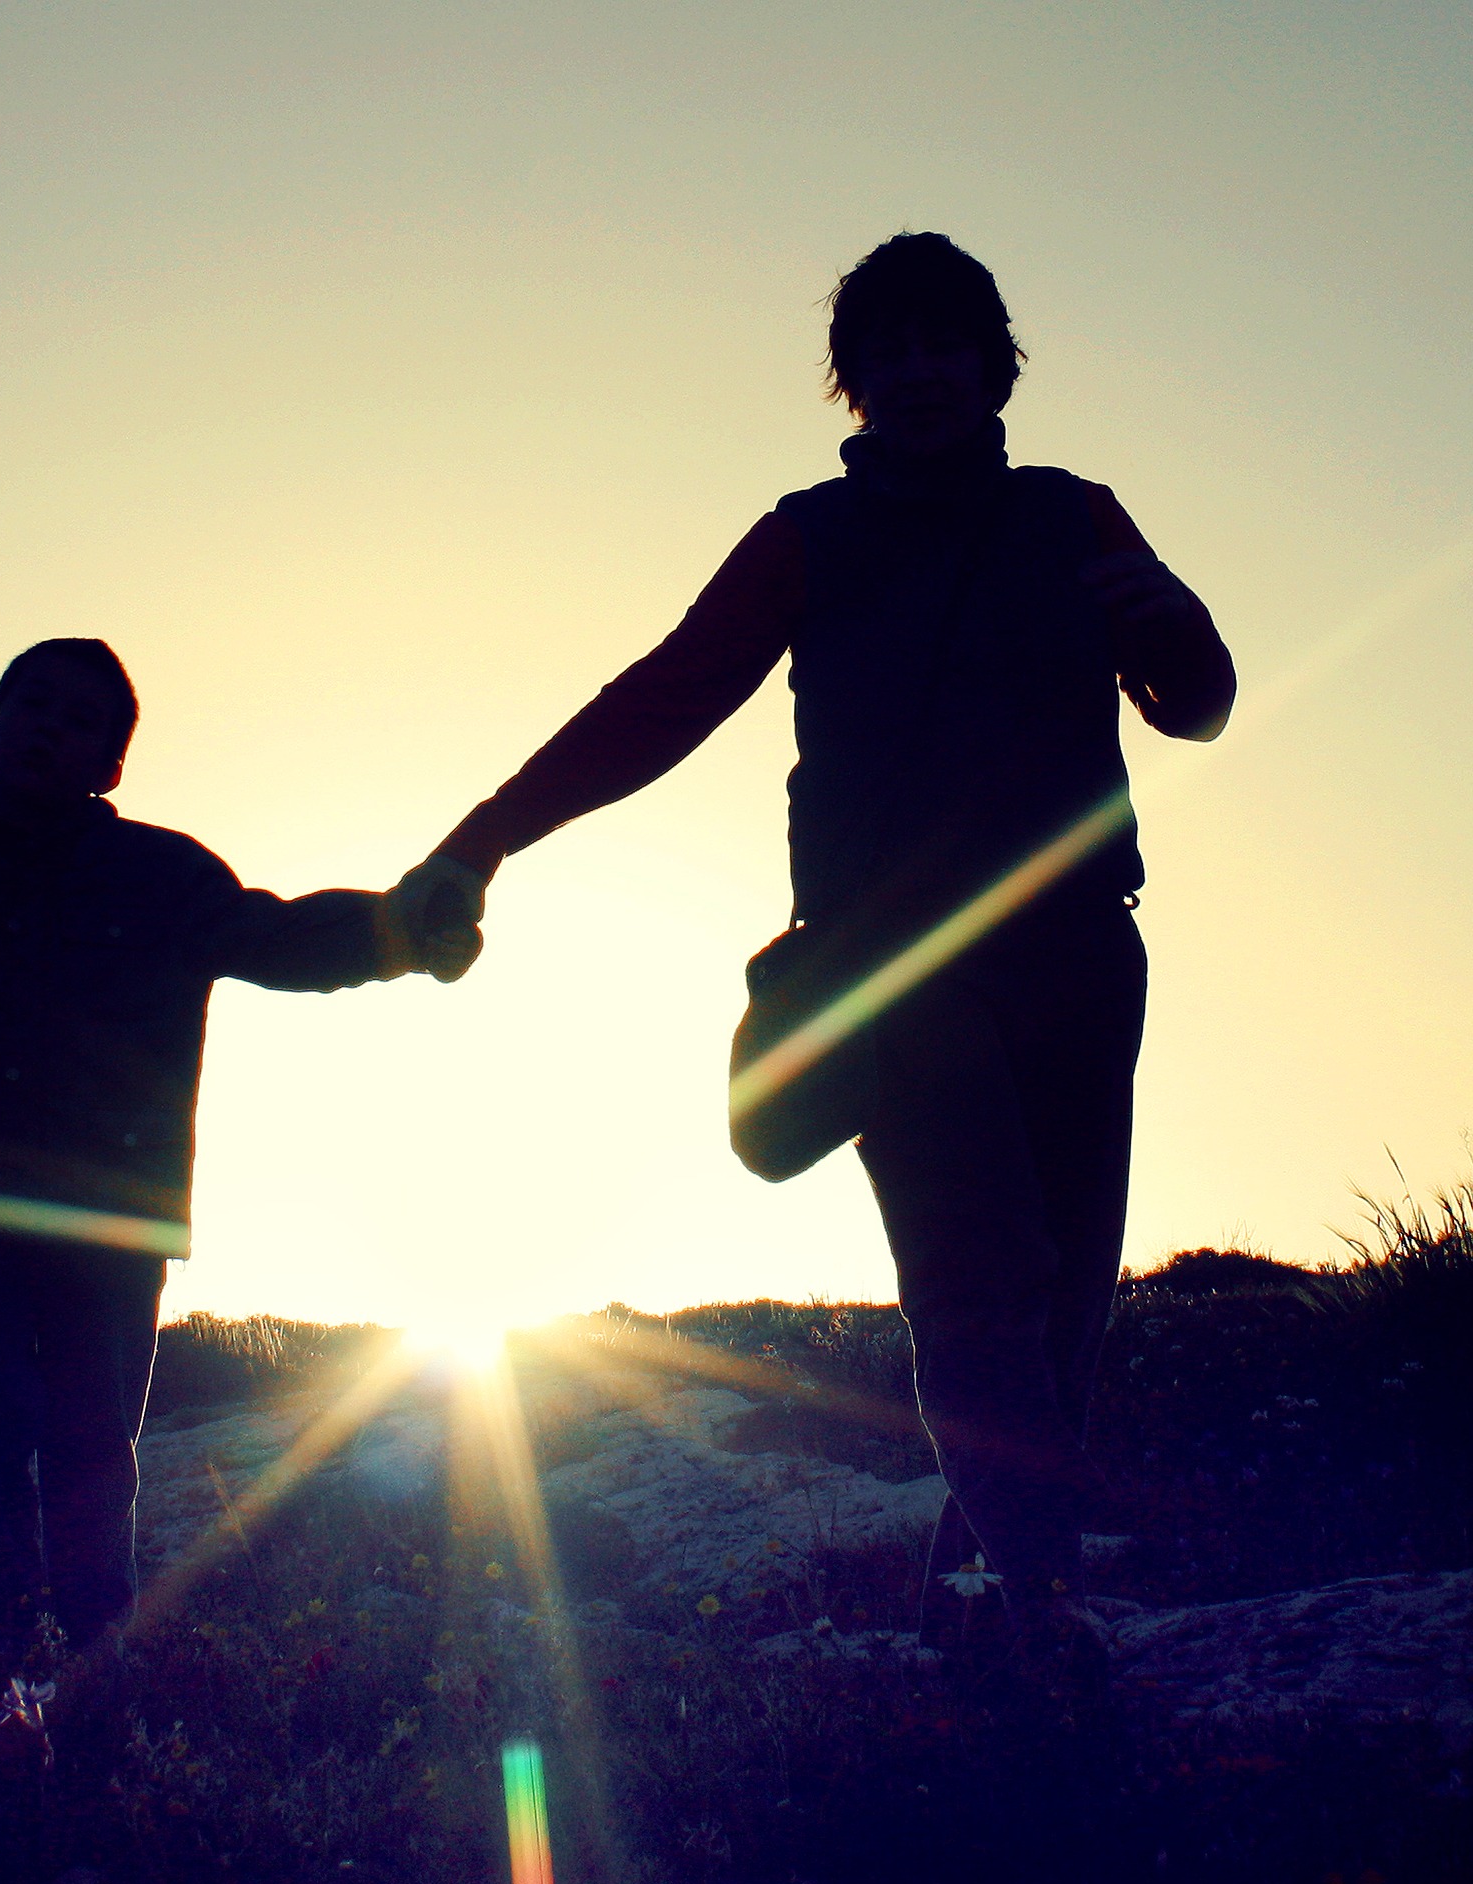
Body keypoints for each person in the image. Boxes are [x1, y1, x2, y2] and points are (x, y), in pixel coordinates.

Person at [398, 233, 1235, 1693]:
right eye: (886, 349)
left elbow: (1196, 705)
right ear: (850, 382)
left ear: (993, 364)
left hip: (1081, 956)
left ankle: (976, 1600)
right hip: (891, 972)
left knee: (1063, 1298)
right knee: (980, 1276)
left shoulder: (1075, 515)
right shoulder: (805, 539)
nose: (917, 371)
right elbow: (663, 697)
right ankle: (1036, 1600)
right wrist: (481, 842)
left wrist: (1185, 634)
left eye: (945, 343)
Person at [0, 637, 477, 1647]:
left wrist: (403, 926)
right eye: (31, 702)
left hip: (113, 1214)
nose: (50, 724)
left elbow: (281, 939)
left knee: (92, 1446)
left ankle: (94, 1667)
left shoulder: (160, 878)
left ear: (112, 767)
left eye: (83, 719)